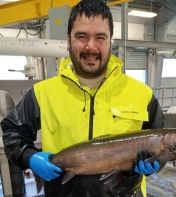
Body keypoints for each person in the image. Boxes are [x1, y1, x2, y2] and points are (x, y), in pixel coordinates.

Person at [0, 0, 165, 196]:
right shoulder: (42, 93)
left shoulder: (142, 94)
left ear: (110, 42)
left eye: (100, 37)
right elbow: (12, 131)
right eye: (81, 36)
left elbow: (162, 146)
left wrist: (156, 164)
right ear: (68, 41)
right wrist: (30, 157)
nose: (91, 46)